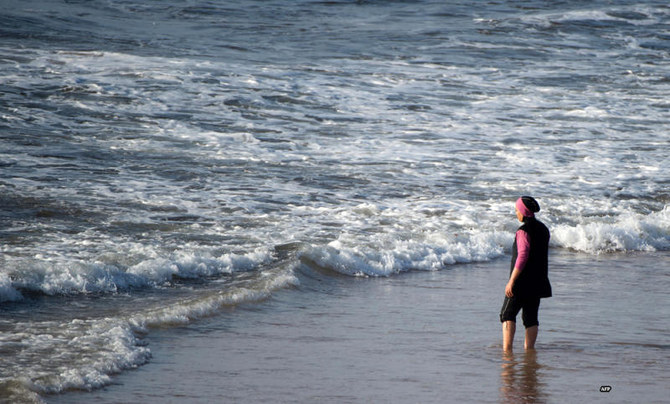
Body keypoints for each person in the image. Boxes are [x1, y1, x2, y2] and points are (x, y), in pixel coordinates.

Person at [500, 196, 551, 352]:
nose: (516, 213)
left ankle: (507, 351)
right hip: (538, 280)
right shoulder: (543, 229)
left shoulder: (523, 231)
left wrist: (511, 281)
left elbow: (522, 256)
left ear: (523, 211)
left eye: (517, 210)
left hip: (521, 281)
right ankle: (529, 351)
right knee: (531, 318)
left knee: (507, 314)